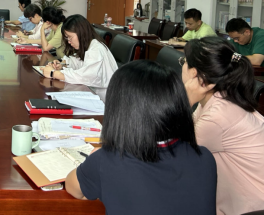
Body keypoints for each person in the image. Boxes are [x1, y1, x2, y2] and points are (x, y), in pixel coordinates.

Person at [66, 61, 217, 215]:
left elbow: (72, 187)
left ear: (119, 111)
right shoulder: (205, 158)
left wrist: (93, 163)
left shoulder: (106, 161)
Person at [181, 37, 264, 215]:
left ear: (195, 74)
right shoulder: (219, 98)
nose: (182, 66)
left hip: (251, 208)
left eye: (184, 62)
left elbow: (174, 154)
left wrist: (185, 101)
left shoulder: (218, 116)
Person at [41, 14, 118, 87]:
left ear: (81, 33)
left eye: (70, 37)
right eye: (67, 38)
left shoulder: (96, 49)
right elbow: (77, 62)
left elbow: (85, 77)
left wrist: (53, 73)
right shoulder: (87, 45)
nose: (69, 41)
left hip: (102, 94)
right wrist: (61, 64)